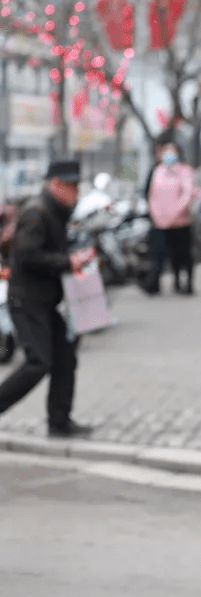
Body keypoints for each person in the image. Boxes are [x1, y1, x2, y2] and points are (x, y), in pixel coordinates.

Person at [0, 160, 95, 438]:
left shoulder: (57, 211)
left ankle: (59, 422)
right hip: (27, 301)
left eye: (77, 186)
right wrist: (67, 262)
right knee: (38, 362)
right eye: (71, 186)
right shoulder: (37, 212)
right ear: (54, 184)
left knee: (65, 357)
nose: (75, 192)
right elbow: (28, 256)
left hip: (47, 301)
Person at [146, 141, 197, 294]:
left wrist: (175, 213)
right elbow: (152, 196)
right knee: (167, 255)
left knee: (184, 254)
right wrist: (156, 215)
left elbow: (187, 195)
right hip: (161, 223)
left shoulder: (185, 171)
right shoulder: (158, 172)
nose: (168, 155)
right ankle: (174, 282)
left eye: (171, 151)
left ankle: (187, 283)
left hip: (181, 222)